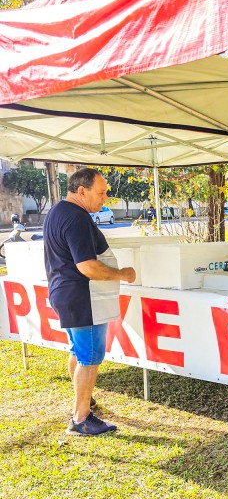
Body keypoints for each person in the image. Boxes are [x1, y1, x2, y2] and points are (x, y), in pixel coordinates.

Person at [43, 168, 136, 436]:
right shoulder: (77, 218)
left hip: (65, 292)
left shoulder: (59, 211)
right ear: (81, 191)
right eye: (101, 192)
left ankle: (83, 399)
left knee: (77, 350)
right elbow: (88, 267)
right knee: (90, 355)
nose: (105, 198)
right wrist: (122, 274)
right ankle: (81, 417)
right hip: (84, 297)